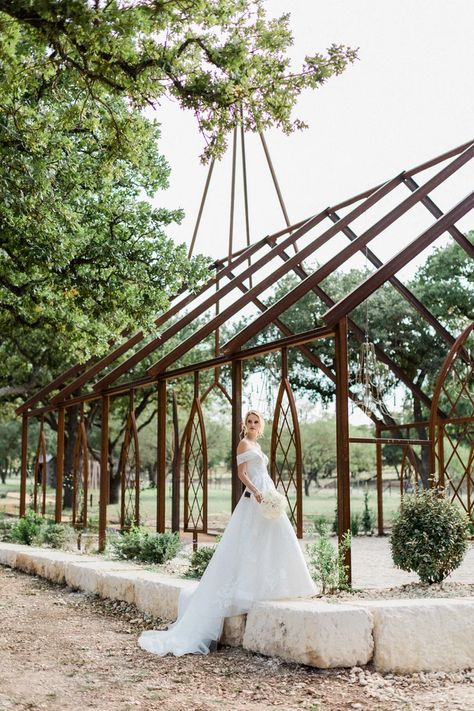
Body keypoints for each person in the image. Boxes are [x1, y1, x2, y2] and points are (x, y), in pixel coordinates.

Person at [138, 409, 316, 657]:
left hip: (267, 494)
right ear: (245, 424)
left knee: (271, 540)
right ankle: (244, 590)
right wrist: (257, 492)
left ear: (260, 425)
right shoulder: (243, 444)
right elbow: (242, 474)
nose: (253, 424)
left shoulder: (256, 443)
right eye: (250, 421)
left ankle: (272, 586)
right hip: (256, 496)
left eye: (256, 422)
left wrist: (270, 492)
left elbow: (262, 471)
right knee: (249, 543)